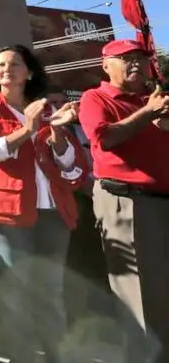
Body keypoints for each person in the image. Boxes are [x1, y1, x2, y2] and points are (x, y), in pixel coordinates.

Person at [0, 45, 87, 363]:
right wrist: (28, 128)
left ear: (30, 72)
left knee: (51, 291)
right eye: (0, 64)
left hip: (53, 209)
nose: (6, 68)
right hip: (8, 211)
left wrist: (59, 132)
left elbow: (70, 164)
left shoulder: (48, 110)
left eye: (15, 63)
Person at [78, 39, 169, 362]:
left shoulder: (153, 100)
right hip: (127, 202)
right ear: (106, 66)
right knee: (139, 297)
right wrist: (147, 114)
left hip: (161, 201)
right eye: (124, 59)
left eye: (140, 59)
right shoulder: (95, 98)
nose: (134, 64)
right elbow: (104, 139)